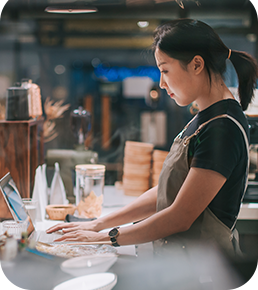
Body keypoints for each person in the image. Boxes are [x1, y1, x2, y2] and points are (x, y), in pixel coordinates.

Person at [47, 19, 258, 256]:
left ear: (197, 64)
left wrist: (106, 237)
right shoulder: (205, 118)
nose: (161, 83)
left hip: (205, 271)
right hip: (185, 264)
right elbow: (166, 192)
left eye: (165, 70)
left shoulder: (222, 128)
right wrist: (97, 223)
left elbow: (181, 217)